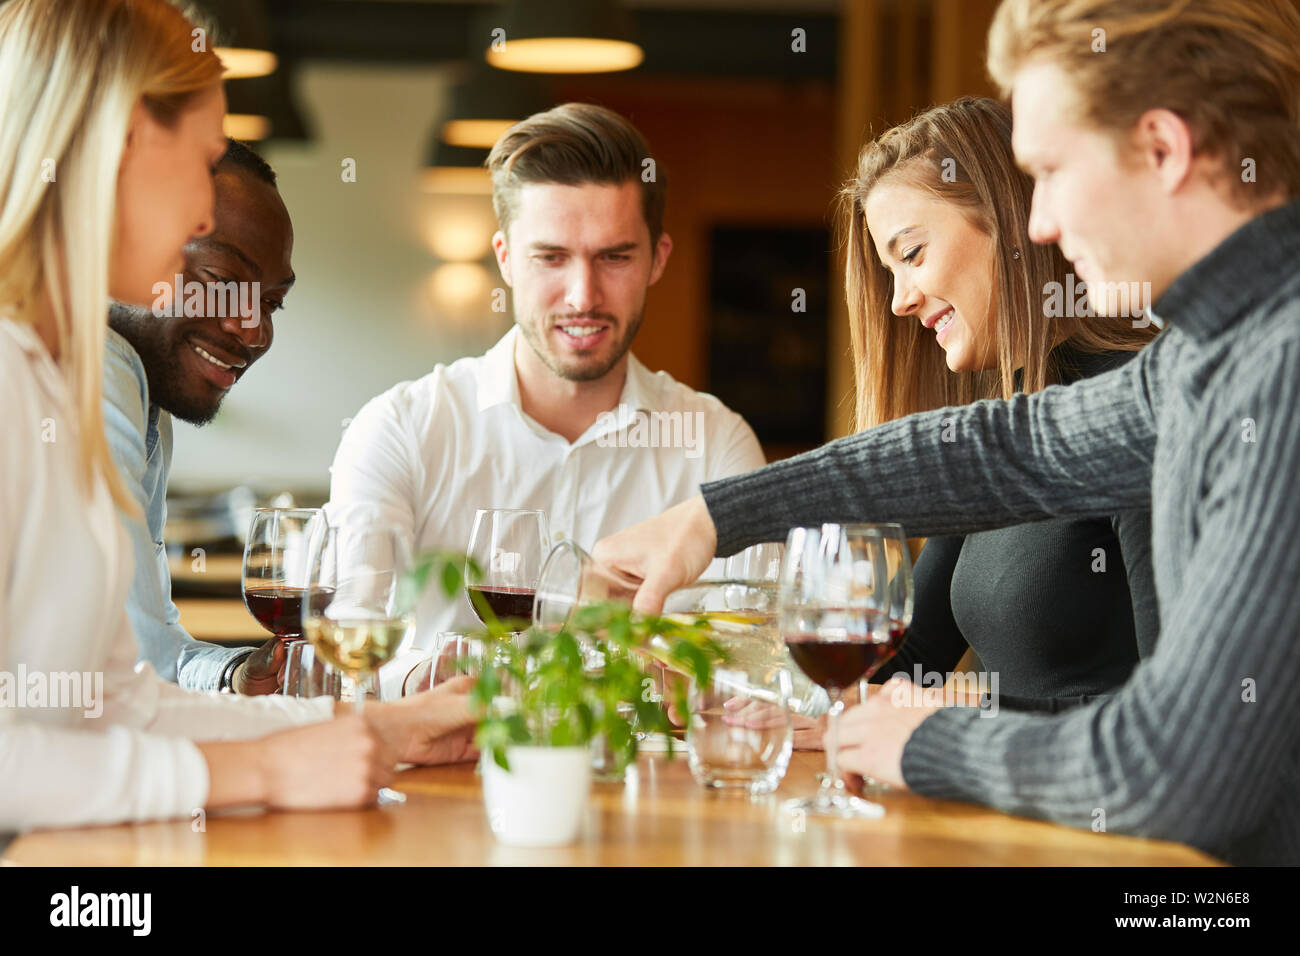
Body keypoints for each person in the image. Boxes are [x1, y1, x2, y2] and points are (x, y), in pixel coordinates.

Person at [594, 0, 1300, 865]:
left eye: (1051, 170)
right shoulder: (1203, 359)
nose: (1037, 225)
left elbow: (1180, 775)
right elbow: (999, 450)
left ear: (1162, 148)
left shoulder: (1279, 367)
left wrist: (923, 740)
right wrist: (713, 517)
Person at [0, 0, 474, 832]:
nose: (201, 205)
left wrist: (380, 729)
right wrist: (264, 764)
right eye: (204, 157)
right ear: (119, 148)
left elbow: (118, 705)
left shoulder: (53, 379)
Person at [326, 103, 765, 696]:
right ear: (506, 258)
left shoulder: (716, 442)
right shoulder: (402, 428)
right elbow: (347, 651)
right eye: (551, 257)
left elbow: (758, 671)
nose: (583, 295)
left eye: (615, 257)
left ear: (657, 260)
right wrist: (446, 677)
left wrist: (677, 670)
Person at [845, 96, 1159, 714]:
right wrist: (756, 691)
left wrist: (957, 724)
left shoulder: (1135, 411)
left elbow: (1181, 722)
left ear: (1010, 221)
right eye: (889, 272)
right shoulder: (1004, 427)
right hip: (1007, 809)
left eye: (911, 255)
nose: (899, 301)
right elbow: (904, 667)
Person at [105, 138, 294, 695]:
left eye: (271, 302)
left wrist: (236, 676)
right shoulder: (91, 372)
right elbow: (122, 695)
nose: (254, 329)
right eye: (221, 283)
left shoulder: (148, 402)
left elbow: (151, 653)